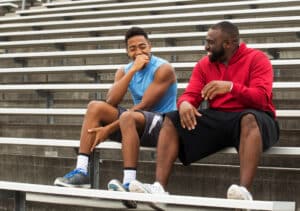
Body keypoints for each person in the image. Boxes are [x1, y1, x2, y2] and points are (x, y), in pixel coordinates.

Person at [129, 21, 279, 204]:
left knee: (248, 118)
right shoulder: (204, 64)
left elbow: (262, 98)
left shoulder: (257, 58)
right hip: (219, 116)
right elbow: (190, 95)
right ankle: (159, 188)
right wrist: (184, 104)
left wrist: (231, 88)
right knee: (172, 119)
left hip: (256, 117)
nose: (206, 46)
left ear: (229, 44)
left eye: (211, 42)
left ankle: (244, 193)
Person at [54, 26, 177, 208]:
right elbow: (111, 100)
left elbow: (145, 106)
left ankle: (128, 183)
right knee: (95, 107)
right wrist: (133, 70)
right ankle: (81, 171)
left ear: (150, 46)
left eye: (142, 46)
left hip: (164, 125)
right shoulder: (125, 70)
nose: (138, 52)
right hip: (137, 121)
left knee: (128, 116)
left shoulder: (163, 69)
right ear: (127, 51)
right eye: (132, 48)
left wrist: (109, 129)